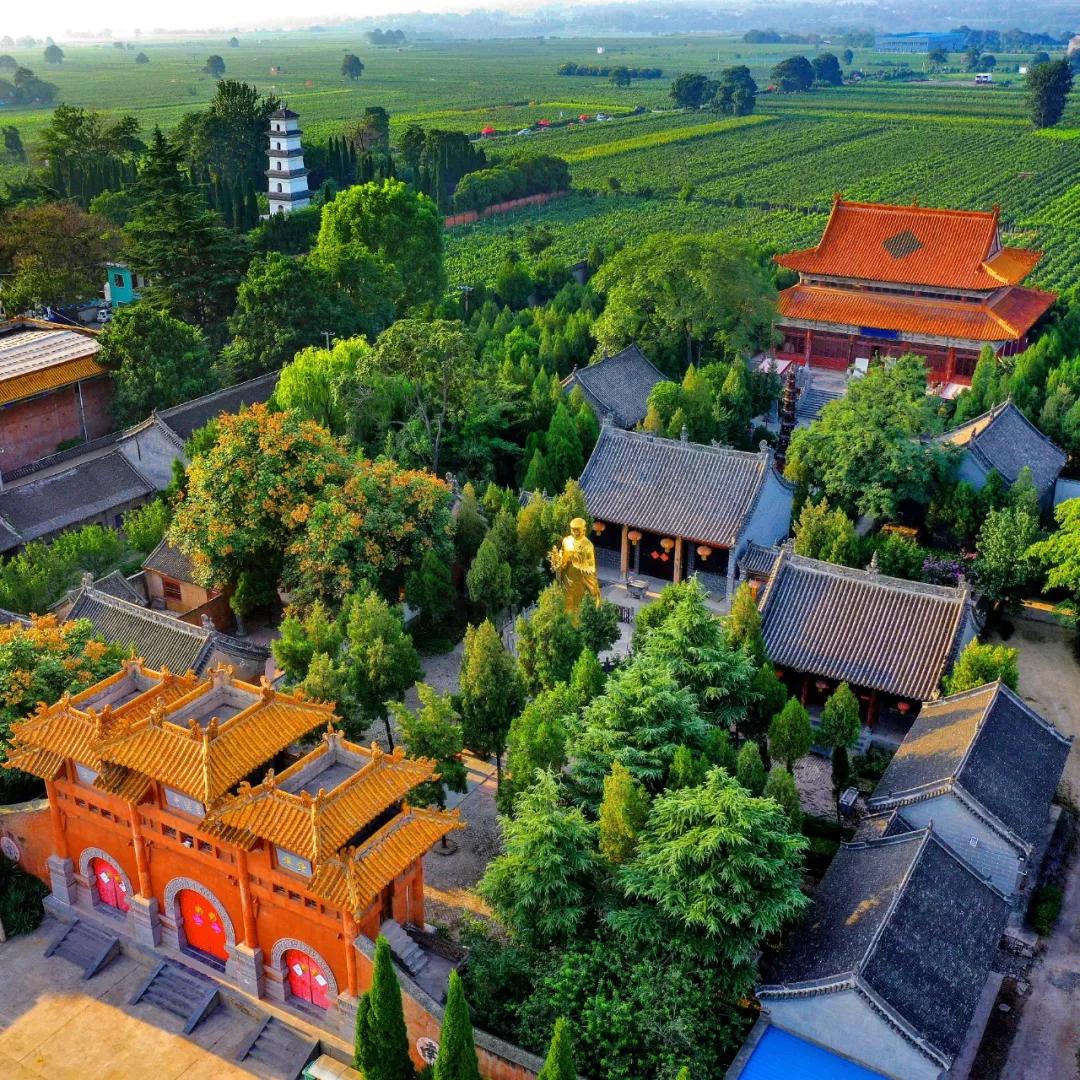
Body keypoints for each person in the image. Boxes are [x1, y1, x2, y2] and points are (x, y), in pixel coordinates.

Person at [550, 517, 601, 615]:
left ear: (584, 530)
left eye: (577, 530)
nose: (574, 532)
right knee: (566, 604)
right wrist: (558, 559)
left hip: (579, 582)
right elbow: (562, 552)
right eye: (572, 529)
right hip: (566, 579)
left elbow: (592, 567)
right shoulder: (566, 540)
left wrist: (576, 562)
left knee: (578, 608)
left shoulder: (588, 546)